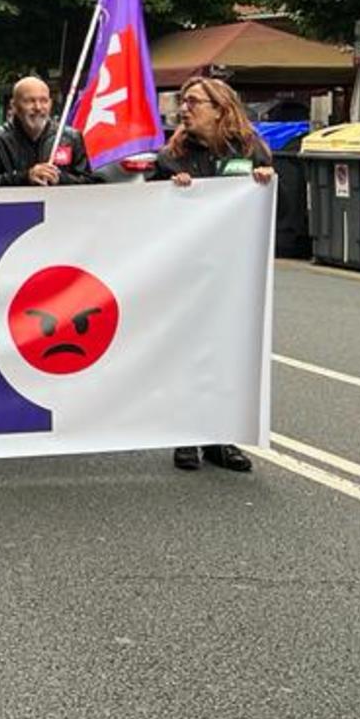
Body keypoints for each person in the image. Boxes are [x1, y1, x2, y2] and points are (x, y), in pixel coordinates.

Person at [152, 76, 275, 475]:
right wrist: (169, 192)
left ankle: (220, 438)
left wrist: (267, 184)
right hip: (188, 272)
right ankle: (185, 434)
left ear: (220, 108)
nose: (184, 109)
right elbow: (148, 216)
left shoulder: (252, 150)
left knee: (227, 353)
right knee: (188, 352)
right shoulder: (170, 157)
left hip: (234, 272)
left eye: (193, 103)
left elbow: (278, 208)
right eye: (183, 102)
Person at [0, 77, 98, 188]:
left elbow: (88, 182)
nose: (38, 107)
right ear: (14, 106)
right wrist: (26, 177)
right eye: (29, 101)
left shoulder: (71, 137)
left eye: (44, 101)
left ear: (50, 104)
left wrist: (60, 178)